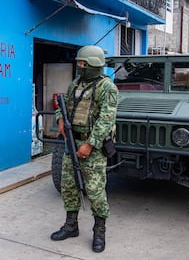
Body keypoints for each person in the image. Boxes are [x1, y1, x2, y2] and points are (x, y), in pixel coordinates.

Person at [50, 45, 118, 253]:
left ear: (94, 65)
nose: (79, 66)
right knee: (69, 186)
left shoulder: (107, 88)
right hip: (72, 142)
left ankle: (99, 231)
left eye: (83, 64)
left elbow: (107, 119)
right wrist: (60, 119)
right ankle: (71, 225)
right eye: (79, 63)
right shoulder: (75, 85)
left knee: (95, 191)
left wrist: (90, 144)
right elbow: (64, 108)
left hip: (94, 147)